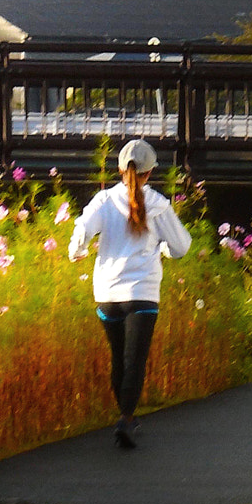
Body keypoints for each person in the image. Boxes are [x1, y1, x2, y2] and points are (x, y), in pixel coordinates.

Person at [68, 138, 193, 449]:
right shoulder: (158, 204)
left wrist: (77, 251)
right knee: (135, 359)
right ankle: (126, 418)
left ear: (120, 169)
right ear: (150, 172)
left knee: (118, 358)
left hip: (107, 293)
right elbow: (182, 246)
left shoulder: (103, 201)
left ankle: (126, 417)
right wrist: (163, 248)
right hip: (142, 293)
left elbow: (82, 229)